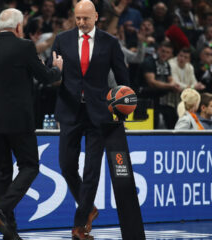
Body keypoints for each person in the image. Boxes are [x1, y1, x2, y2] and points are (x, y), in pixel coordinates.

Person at [0, 8, 63, 240]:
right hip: (20, 121)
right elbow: (46, 77)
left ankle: (10, 232)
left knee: (3, 171)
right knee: (30, 167)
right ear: (19, 28)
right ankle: (1, 208)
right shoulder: (25, 46)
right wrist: (57, 68)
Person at [49, 0, 129, 239]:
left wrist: (123, 106)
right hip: (69, 112)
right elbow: (50, 73)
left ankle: (79, 224)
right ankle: (89, 208)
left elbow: (124, 78)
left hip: (99, 113)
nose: (81, 23)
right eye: (78, 19)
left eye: (86, 18)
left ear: (96, 16)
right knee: (66, 166)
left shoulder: (110, 42)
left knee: (92, 170)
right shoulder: (62, 39)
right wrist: (54, 70)